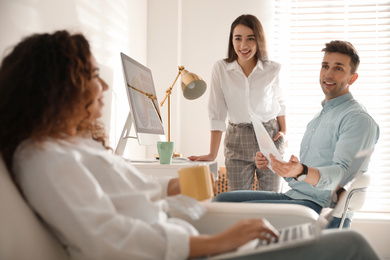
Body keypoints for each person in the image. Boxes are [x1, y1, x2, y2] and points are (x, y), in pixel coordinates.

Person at [0, 31, 380, 260]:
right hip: (193, 249)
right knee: (351, 246)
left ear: (353, 76)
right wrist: (217, 241)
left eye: (338, 68)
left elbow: (123, 196)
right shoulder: (47, 158)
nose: (103, 87)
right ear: (57, 88)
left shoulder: (71, 147)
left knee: (341, 239)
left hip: (207, 237)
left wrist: (176, 188)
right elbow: (110, 241)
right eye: (92, 76)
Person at [213, 40, 380, 229]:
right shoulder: (321, 117)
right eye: (325, 66)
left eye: (338, 68)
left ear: (352, 78)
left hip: (321, 208)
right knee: (222, 201)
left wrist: (302, 171)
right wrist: (277, 165)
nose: (328, 73)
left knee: (224, 214)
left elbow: (342, 175)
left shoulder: (357, 119)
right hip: (296, 196)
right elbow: (303, 174)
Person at [188, 14, 286, 192]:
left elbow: (280, 102)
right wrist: (212, 153)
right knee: (238, 200)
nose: (243, 45)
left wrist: (284, 131)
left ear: (259, 40)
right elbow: (217, 111)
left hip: (269, 136)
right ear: (231, 41)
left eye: (250, 39)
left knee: (271, 200)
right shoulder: (221, 69)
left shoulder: (273, 69)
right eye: (238, 38)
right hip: (237, 139)